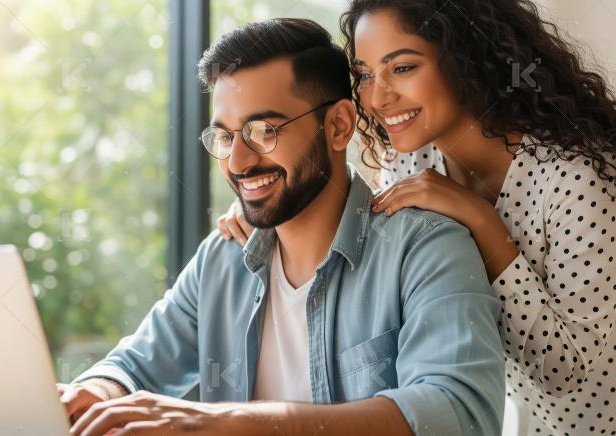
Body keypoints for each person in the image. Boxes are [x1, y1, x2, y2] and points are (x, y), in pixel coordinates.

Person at [58, 18, 505, 436]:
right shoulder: (223, 258)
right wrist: (95, 393)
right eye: (226, 136)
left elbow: (458, 412)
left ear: (338, 126)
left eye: (263, 130)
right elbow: (134, 367)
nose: (238, 162)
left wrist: (233, 424)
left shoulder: (427, 248)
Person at [218, 1, 616, 434]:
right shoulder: (412, 160)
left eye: (402, 68)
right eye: (366, 74)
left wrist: (482, 223)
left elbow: (563, 370)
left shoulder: (578, 181)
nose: (377, 96)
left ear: (468, 60)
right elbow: (341, 199)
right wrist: (264, 198)